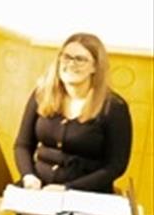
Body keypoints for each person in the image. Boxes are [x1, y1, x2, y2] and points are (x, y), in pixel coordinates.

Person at [14, 33, 133, 193]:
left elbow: (115, 166)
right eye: (66, 57)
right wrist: (28, 175)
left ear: (95, 67)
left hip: (84, 194)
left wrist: (67, 188)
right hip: (37, 190)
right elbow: (22, 145)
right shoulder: (42, 94)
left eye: (80, 59)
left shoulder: (114, 107)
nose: (71, 64)